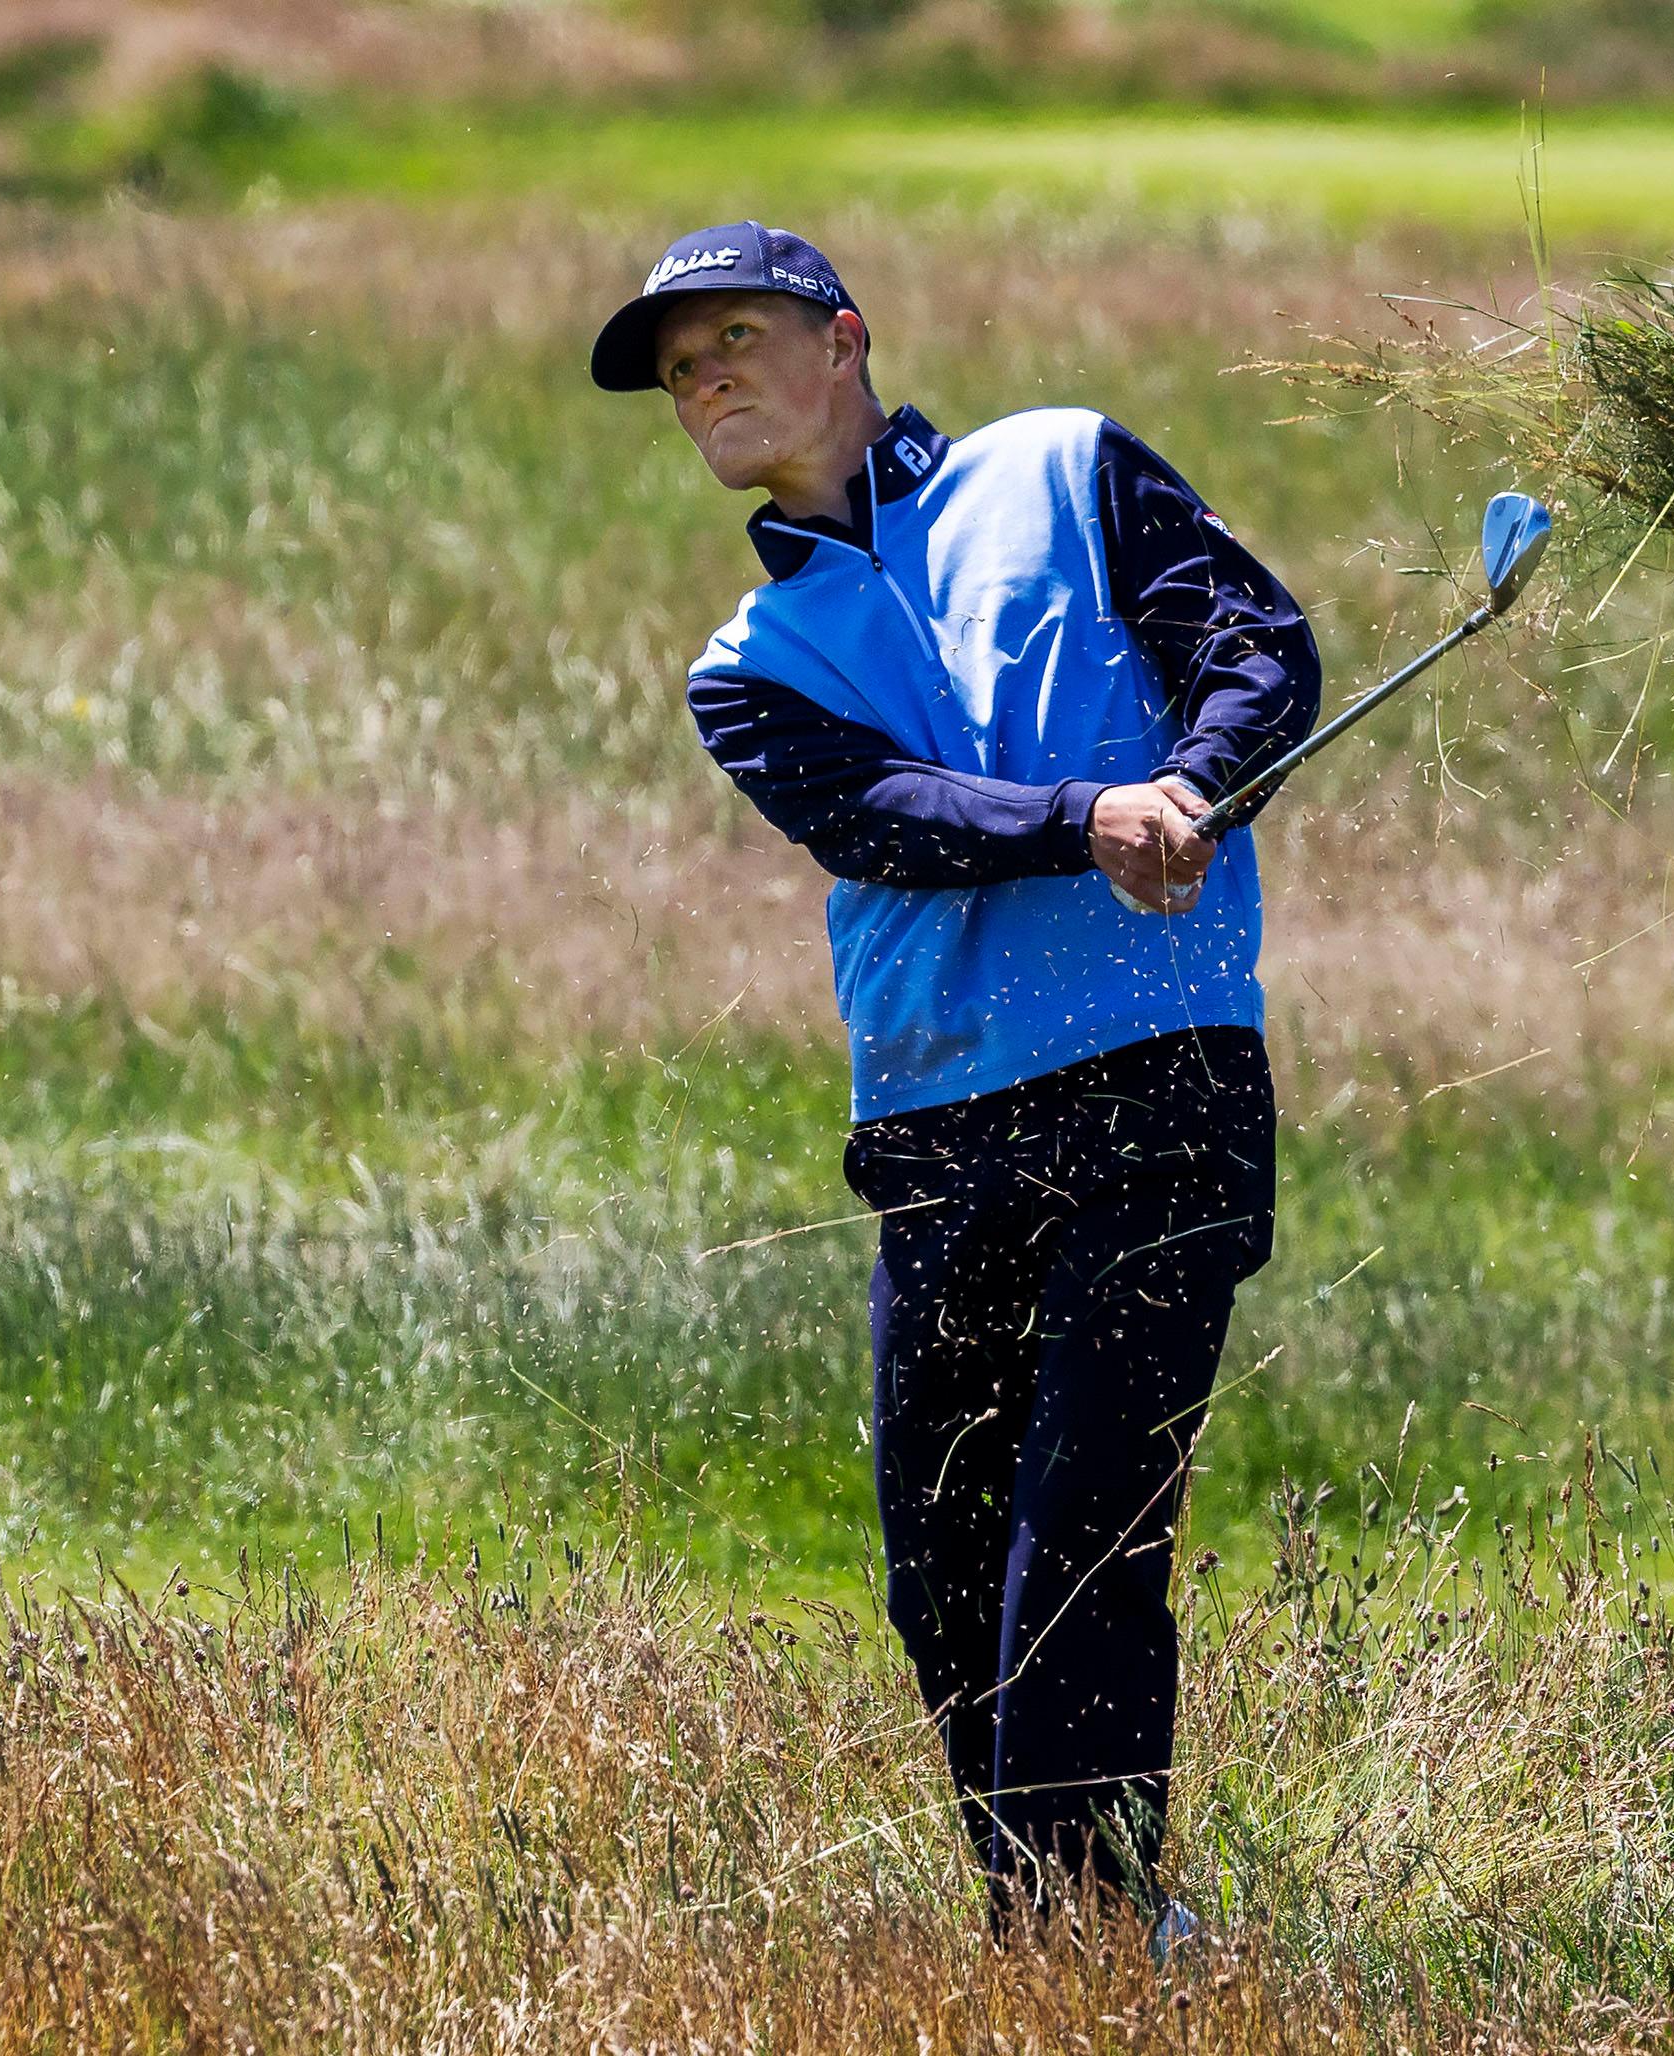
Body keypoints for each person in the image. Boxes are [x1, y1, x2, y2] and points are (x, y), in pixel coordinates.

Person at [591, 222, 1321, 1941]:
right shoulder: (744, 665)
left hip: (1160, 1085)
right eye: (678, 368)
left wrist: (1196, 781)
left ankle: (1086, 1924)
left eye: (735, 340)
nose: (705, 381)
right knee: (941, 1563)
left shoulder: (1064, 467)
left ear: (843, 339)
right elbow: (885, 820)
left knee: (1083, 1513)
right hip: (933, 1126)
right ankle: (1056, 1917)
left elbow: (1259, 651)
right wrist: (1092, 817)